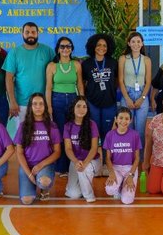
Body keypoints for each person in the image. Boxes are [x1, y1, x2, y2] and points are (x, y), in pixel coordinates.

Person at [45, 36, 84, 177]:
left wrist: (82, 102)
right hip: (57, 101)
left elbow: (80, 84)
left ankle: (73, 165)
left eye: (68, 46)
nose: (65, 49)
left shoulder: (76, 65)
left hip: (73, 100)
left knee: (73, 133)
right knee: (61, 133)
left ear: (72, 49)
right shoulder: (52, 66)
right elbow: (48, 88)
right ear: (58, 49)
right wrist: (49, 106)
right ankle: (61, 168)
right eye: (62, 46)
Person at [15, 93, 61, 205]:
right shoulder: (23, 126)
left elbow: (57, 152)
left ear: (45, 106)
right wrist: (29, 174)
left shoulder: (52, 126)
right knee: (27, 201)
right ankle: (32, 184)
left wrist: (40, 165)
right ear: (30, 107)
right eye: (35, 104)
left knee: (44, 182)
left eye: (41, 104)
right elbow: (19, 152)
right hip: (27, 165)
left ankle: (44, 189)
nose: (38, 107)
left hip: (45, 165)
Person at [3, 22, 54, 123]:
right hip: (21, 104)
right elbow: (8, 78)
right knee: (22, 132)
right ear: (22, 34)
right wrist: (12, 102)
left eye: (33, 32)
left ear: (38, 33)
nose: (30, 35)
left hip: (43, 102)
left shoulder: (48, 51)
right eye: (27, 32)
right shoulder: (14, 53)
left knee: (43, 132)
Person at [81, 33, 118, 172]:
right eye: (98, 45)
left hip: (109, 103)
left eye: (104, 45)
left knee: (107, 134)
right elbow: (83, 82)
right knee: (94, 133)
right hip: (92, 103)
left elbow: (117, 81)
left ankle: (107, 164)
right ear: (93, 47)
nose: (102, 48)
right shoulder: (87, 64)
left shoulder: (113, 62)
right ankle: (95, 163)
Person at [63, 96, 100, 203]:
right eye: (78, 106)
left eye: (84, 107)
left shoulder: (92, 124)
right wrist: (76, 161)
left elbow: (94, 148)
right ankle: (80, 184)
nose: (81, 109)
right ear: (73, 108)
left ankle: (89, 196)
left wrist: (85, 163)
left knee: (85, 169)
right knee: (73, 195)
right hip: (75, 160)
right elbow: (68, 148)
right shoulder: (68, 126)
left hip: (92, 160)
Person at [118, 31, 152, 147]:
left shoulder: (146, 60)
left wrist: (142, 98)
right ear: (129, 43)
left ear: (142, 43)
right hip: (127, 93)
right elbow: (121, 81)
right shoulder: (123, 59)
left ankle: (140, 156)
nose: (136, 44)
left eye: (138, 41)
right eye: (133, 41)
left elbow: (148, 82)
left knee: (140, 130)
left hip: (142, 94)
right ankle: (129, 154)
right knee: (127, 128)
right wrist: (127, 99)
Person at [103, 107, 141, 204]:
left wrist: (131, 175)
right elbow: (107, 158)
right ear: (116, 119)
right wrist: (111, 173)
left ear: (130, 120)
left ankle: (124, 184)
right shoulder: (110, 135)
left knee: (127, 201)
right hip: (116, 168)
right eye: (121, 118)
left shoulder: (135, 135)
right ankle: (119, 186)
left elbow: (137, 158)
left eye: (127, 118)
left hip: (130, 168)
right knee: (110, 190)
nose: (123, 121)